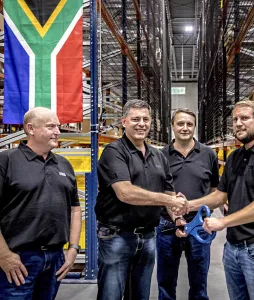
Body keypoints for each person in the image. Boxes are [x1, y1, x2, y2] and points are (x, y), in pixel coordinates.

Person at [187, 100, 254, 300]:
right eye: (235, 119)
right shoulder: (235, 157)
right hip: (233, 247)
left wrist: (223, 222)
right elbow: (220, 195)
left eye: (244, 118)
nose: (238, 124)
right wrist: (188, 205)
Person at [95, 100, 188, 300]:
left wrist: (176, 217)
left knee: (140, 295)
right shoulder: (114, 152)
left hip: (147, 236)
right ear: (124, 122)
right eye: (135, 119)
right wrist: (169, 200)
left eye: (146, 119)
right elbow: (125, 193)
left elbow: (168, 193)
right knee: (111, 295)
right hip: (116, 237)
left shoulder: (158, 155)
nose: (141, 124)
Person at [0, 107, 82, 299]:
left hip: (55, 258)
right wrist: (3, 255)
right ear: (31, 128)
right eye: (51, 126)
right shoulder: (6, 161)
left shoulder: (63, 164)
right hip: (18, 259)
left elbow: (75, 209)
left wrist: (73, 249)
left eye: (58, 127)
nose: (58, 132)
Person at [156, 108, 219, 300]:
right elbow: (158, 191)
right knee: (166, 283)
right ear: (172, 127)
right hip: (167, 226)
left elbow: (215, 190)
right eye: (180, 124)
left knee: (199, 283)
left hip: (199, 226)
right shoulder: (160, 155)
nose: (185, 128)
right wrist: (176, 217)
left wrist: (205, 213)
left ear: (195, 127)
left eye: (189, 124)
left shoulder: (208, 154)